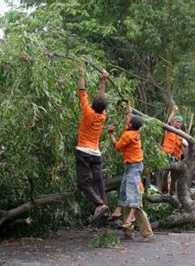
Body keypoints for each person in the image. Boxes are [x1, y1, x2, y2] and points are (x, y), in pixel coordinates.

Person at [107, 100, 154, 241]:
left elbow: (117, 147)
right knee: (126, 195)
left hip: (134, 167)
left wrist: (111, 134)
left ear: (131, 125)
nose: (127, 120)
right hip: (132, 166)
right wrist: (128, 104)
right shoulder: (134, 130)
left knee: (134, 202)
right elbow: (129, 115)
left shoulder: (128, 135)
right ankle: (127, 230)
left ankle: (147, 233)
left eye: (129, 121)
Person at [74, 63, 109, 221]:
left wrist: (81, 71)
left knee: (83, 182)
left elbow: (82, 90)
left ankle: (99, 204)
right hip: (96, 153)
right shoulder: (102, 117)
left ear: (93, 105)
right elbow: (102, 99)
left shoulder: (88, 113)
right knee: (98, 180)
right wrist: (103, 81)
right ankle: (105, 210)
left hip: (84, 152)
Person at [160, 105, 188, 194]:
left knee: (174, 176)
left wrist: (184, 141)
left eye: (180, 122)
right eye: (177, 121)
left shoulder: (182, 134)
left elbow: (186, 144)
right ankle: (164, 191)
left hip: (176, 157)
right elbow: (168, 121)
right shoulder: (169, 129)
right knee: (165, 174)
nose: (179, 123)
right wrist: (174, 111)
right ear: (174, 122)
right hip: (167, 155)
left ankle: (172, 193)